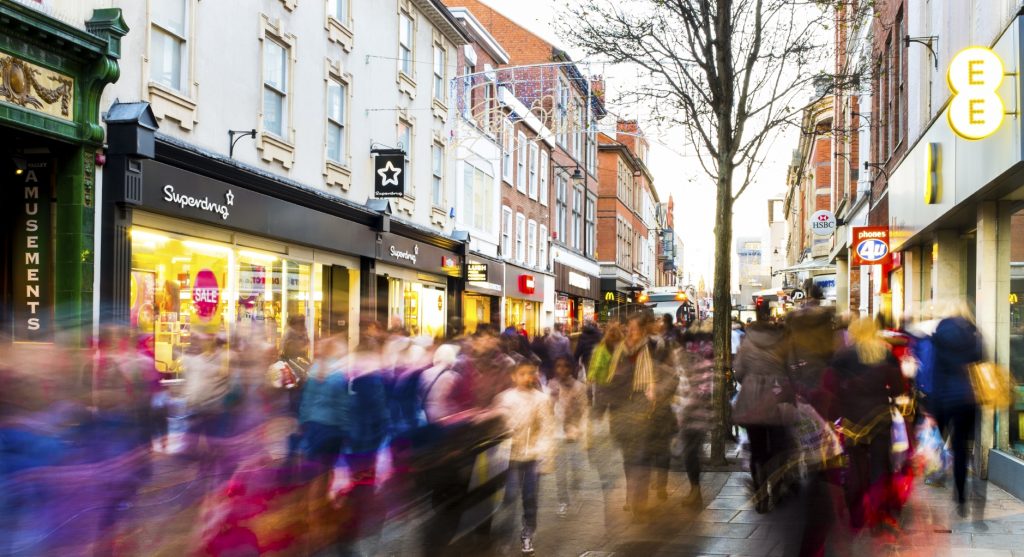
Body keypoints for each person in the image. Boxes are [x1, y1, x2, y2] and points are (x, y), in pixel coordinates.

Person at [825, 317, 907, 530]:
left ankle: (857, 514)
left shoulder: (842, 357)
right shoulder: (886, 354)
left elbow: (830, 386)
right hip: (879, 415)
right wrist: (883, 391)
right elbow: (899, 388)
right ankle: (878, 513)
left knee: (855, 464)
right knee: (880, 463)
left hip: (851, 417)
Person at [494, 361, 555, 554]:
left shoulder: (541, 400)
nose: (527, 377)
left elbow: (547, 430)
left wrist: (545, 456)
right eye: (522, 374)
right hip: (509, 456)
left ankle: (528, 533)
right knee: (509, 495)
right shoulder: (504, 398)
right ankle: (504, 535)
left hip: (531, 456)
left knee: (530, 497)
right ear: (514, 376)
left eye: (531, 373)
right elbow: (498, 426)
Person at [732, 317, 791, 512]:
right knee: (777, 448)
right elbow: (789, 369)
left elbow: (738, 372)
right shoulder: (781, 342)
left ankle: (761, 497)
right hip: (776, 398)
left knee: (757, 451)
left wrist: (752, 381)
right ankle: (776, 489)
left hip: (752, 401)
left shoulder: (747, 344)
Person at [929, 308, 982, 515]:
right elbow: (980, 365)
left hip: (944, 400)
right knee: (961, 449)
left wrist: (932, 409)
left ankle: (937, 472)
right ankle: (961, 495)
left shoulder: (939, 342)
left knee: (935, 442)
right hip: (968, 400)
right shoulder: (973, 340)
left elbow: (935, 375)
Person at [605, 314, 656, 519]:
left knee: (642, 457)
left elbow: (666, 374)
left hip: (644, 407)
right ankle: (632, 494)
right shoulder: (619, 350)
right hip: (622, 409)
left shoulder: (652, 348)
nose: (630, 333)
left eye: (634, 329)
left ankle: (639, 503)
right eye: (628, 329)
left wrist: (654, 392)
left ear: (643, 331)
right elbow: (609, 378)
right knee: (629, 457)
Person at [677, 319, 715, 508]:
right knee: (692, 452)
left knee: (690, 452)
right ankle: (695, 490)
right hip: (700, 413)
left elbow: (683, 385)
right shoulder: (708, 357)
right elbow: (708, 387)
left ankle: (695, 490)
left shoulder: (684, 356)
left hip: (689, 413)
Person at [548, 356, 589, 516]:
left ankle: (576, 491)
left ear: (571, 369)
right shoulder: (552, 384)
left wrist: (575, 426)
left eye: (565, 366)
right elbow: (548, 409)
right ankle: (563, 501)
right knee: (560, 471)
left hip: (574, 433)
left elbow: (583, 408)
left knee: (577, 467)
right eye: (558, 366)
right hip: (557, 434)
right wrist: (553, 397)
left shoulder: (579, 387)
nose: (562, 370)